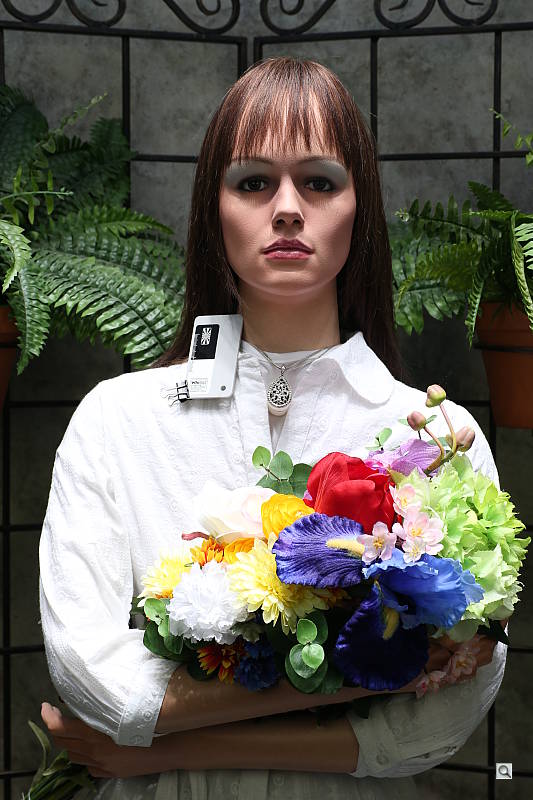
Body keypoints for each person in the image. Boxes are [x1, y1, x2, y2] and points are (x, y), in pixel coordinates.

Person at [40, 57, 507, 798]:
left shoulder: (435, 437)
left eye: (319, 182)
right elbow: (94, 678)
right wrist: (376, 673)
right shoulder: (116, 421)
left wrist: (160, 751)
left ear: (359, 206)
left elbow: (436, 728)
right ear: (213, 207)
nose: (287, 208)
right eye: (254, 182)